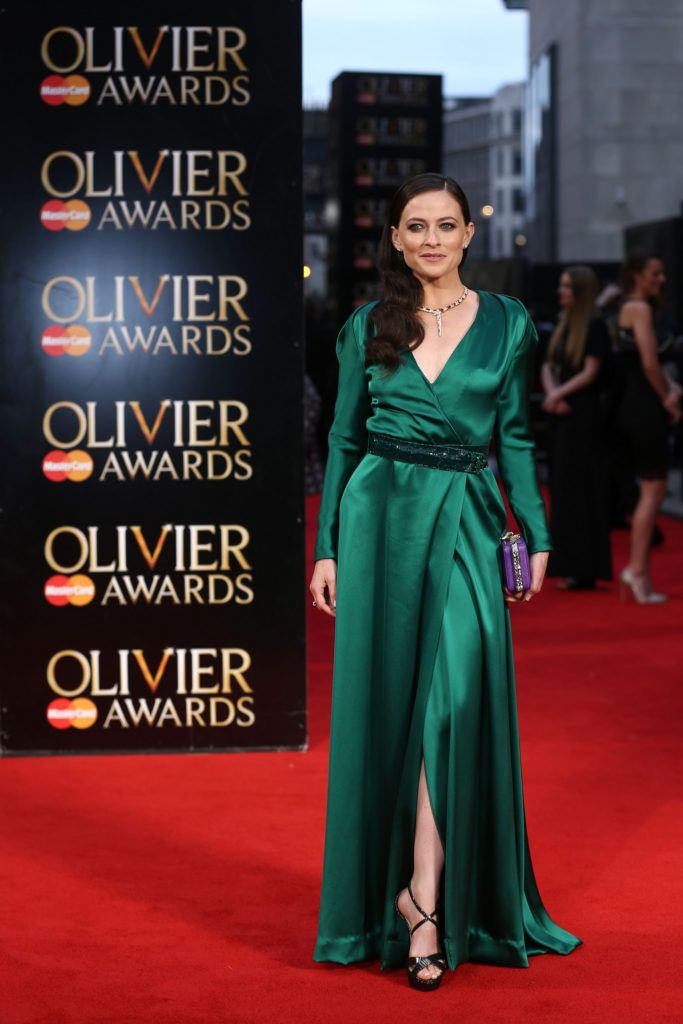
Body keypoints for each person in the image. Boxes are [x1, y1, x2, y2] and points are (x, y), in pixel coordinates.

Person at [309, 173, 582, 991]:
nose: (431, 239)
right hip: (380, 519)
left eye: (446, 225)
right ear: (394, 238)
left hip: (465, 516)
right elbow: (343, 438)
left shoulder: (507, 324)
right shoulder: (366, 326)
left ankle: (421, 892)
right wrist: (326, 547)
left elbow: (517, 437)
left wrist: (533, 531)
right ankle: (417, 900)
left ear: (470, 235)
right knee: (393, 704)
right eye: (415, 226)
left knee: (452, 698)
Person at [615, 251, 682, 603]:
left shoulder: (632, 307)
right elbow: (650, 363)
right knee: (652, 490)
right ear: (637, 275)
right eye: (655, 273)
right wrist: (670, 396)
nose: (661, 279)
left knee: (652, 491)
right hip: (645, 408)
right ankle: (637, 571)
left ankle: (638, 571)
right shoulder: (639, 309)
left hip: (639, 406)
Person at [541, 266, 613, 589]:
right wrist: (553, 393)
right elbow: (548, 364)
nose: (561, 291)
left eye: (567, 286)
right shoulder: (562, 324)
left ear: (580, 292)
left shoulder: (595, 326)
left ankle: (585, 566)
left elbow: (591, 371)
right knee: (563, 491)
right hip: (562, 415)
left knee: (583, 490)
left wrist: (557, 393)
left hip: (583, 416)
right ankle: (570, 564)